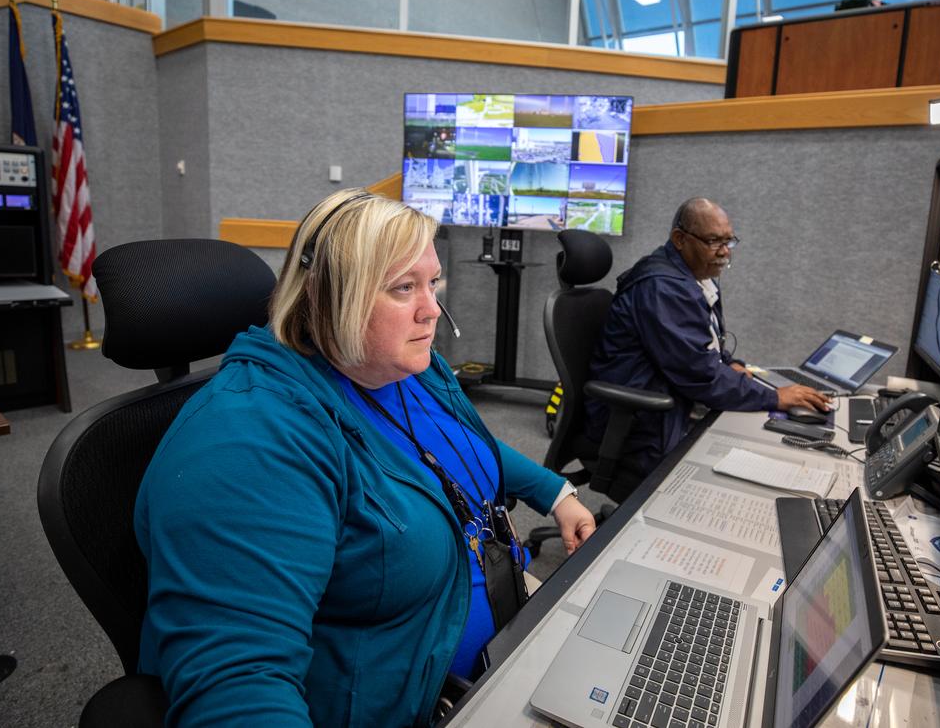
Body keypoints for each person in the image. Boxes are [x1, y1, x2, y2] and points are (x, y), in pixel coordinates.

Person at [134, 190, 596, 726]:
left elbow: (463, 446)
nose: (433, 311)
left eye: (432, 282)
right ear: (326, 298)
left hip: (503, 630)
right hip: (416, 698)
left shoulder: (400, 365)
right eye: (404, 288)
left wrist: (554, 493)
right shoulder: (247, 443)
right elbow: (238, 690)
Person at [585, 197, 831, 498]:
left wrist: (729, 363)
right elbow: (698, 373)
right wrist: (773, 397)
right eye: (714, 241)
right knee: (736, 483)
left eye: (729, 241)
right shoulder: (664, 287)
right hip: (642, 425)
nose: (725, 252)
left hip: (669, 404)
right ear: (680, 239)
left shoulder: (695, 277)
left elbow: (703, 344)